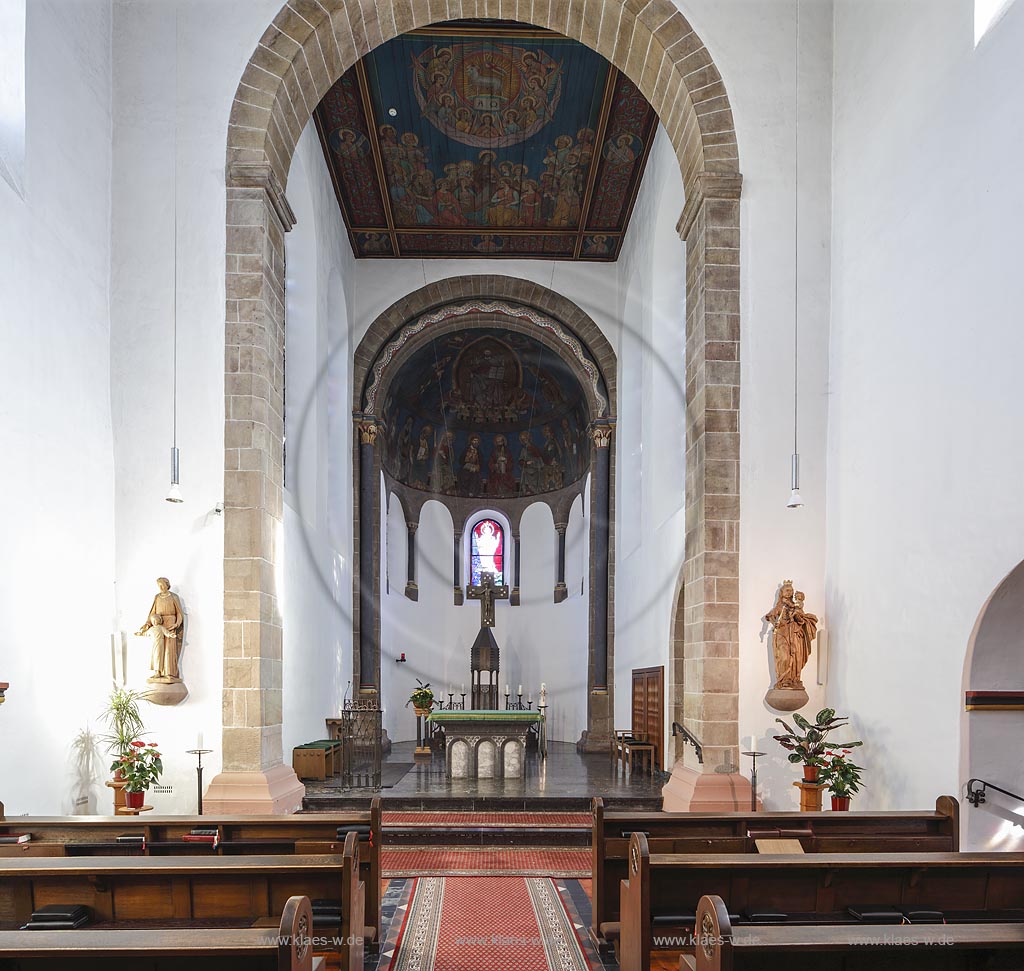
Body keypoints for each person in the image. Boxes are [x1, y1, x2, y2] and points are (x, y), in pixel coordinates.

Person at [763, 581, 819, 690]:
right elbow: (770, 616)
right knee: (784, 657)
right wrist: (775, 623)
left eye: (791, 591)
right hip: (782, 635)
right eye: (787, 590)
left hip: (793, 634)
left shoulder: (795, 606)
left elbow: (800, 618)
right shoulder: (780, 606)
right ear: (782, 593)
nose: (790, 592)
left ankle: (794, 679)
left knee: (796, 657)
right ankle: (784, 680)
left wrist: (798, 616)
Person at [135, 578, 184, 683]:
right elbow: (152, 613)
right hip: (158, 623)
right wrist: (147, 624)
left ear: (167, 585)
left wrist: (176, 624)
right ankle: (158, 672)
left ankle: (170, 673)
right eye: (159, 585)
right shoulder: (157, 597)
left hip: (171, 624)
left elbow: (179, 613)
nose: (161, 587)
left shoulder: (174, 597)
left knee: (169, 650)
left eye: (162, 585)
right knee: (157, 650)